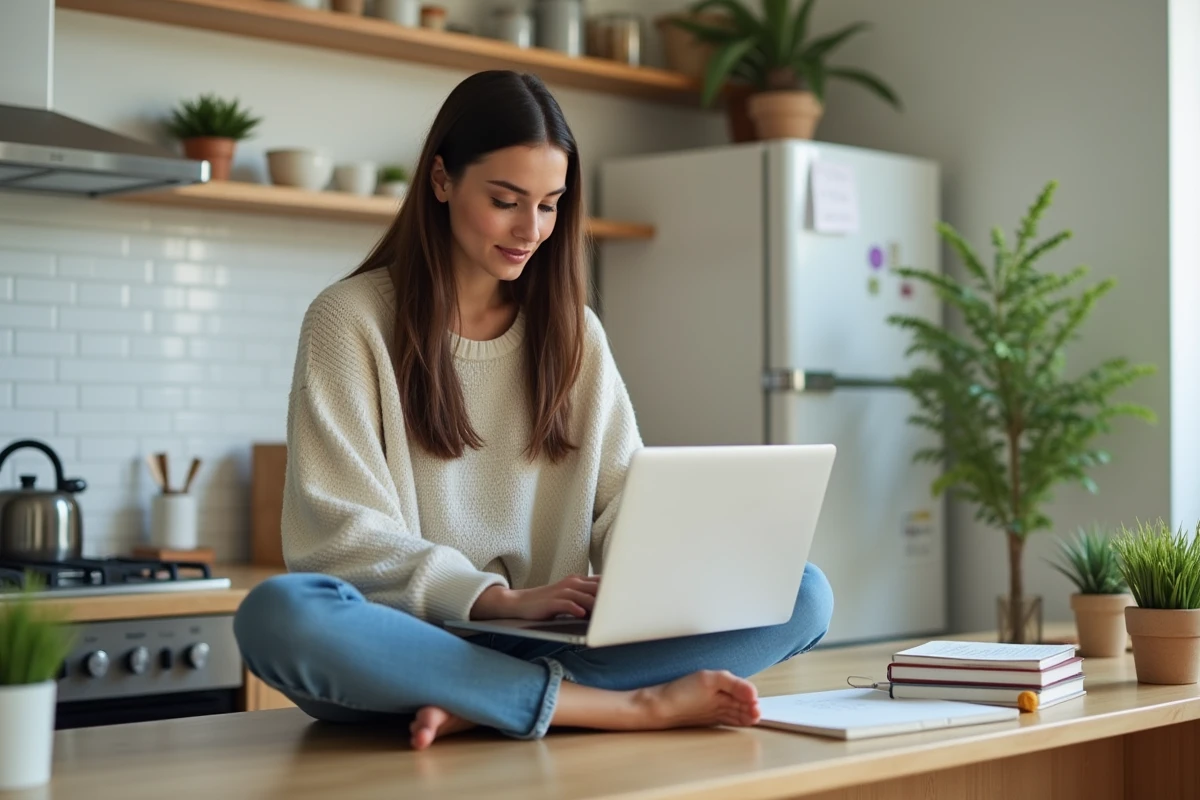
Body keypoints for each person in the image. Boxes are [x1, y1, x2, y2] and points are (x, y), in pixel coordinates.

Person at [233, 70, 835, 751]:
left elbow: (620, 503)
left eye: (550, 205)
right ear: (441, 180)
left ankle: (491, 699)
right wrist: (494, 600)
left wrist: (662, 569)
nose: (531, 229)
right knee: (279, 614)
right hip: (403, 642)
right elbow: (341, 537)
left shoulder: (574, 332)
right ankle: (621, 707)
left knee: (803, 592)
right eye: (506, 200)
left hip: (547, 641)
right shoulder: (349, 321)